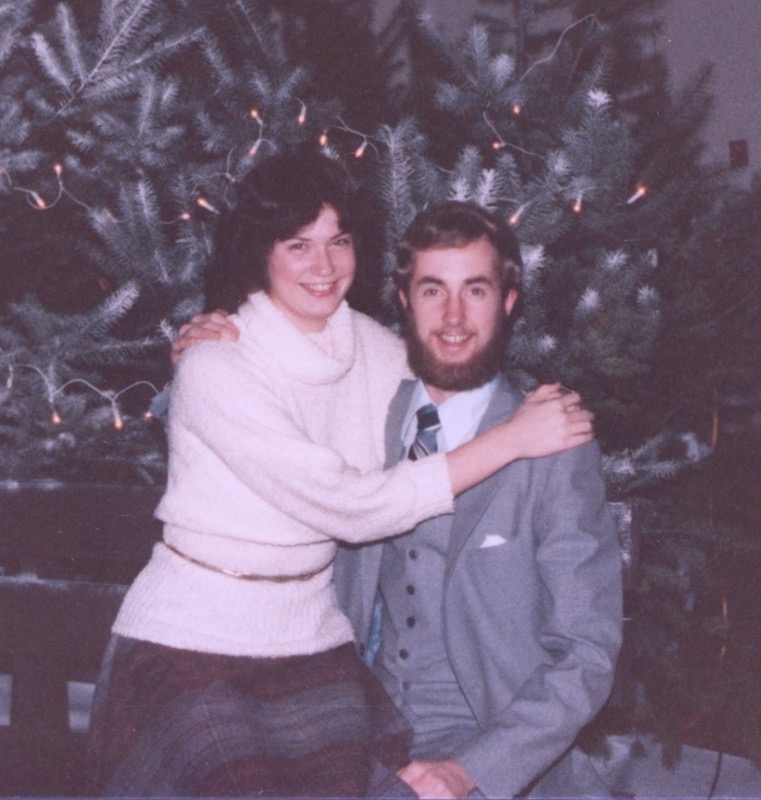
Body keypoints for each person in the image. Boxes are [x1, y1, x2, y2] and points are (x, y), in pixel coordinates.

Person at [86, 152, 594, 798]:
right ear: (260, 253)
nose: (323, 267)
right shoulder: (217, 363)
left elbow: (453, 372)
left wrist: (537, 419)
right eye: (297, 245)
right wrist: (510, 440)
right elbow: (350, 506)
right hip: (191, 644)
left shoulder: (373, 350)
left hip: (311, 642)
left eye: (338, 242)